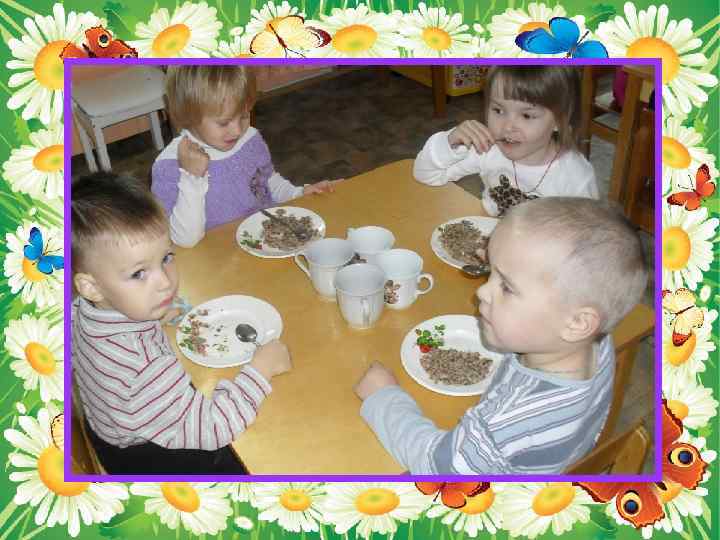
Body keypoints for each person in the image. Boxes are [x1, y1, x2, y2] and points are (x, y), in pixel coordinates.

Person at [355, 197, 648, 474]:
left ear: (576, 323)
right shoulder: (595, 342)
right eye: (490, 274)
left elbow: (437, 467)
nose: (482, 291)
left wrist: (384, 397)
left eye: (506, 287)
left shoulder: (508, 425)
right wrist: (508, 263)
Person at [71, 172, 291, 474]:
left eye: (166, 258)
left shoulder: (83, 308)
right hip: (153, 461)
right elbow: (215, 426)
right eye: (139, 273)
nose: (165, 282)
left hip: (111, 429)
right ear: (91, 287)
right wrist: (260, 370)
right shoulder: (145, 369)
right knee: (272, 450)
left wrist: (159, 311)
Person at [152, 65, 342, 248]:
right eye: (224, 122)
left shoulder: (250, 138)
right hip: (217, 257)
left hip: (266, 241)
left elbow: (268, 182)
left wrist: (298, 194)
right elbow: (185, 240)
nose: (237, 130)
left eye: (244, 116)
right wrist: (192, 178)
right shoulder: (168, 166)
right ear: (187, 115)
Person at [414, 66, 598, 217]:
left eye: (526, 115)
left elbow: (588, 237)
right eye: (498, 110)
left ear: (559, 121)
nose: (508, 126)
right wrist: (450, 143)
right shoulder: (488, 150)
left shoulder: (575, 177)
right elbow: (426, 175)